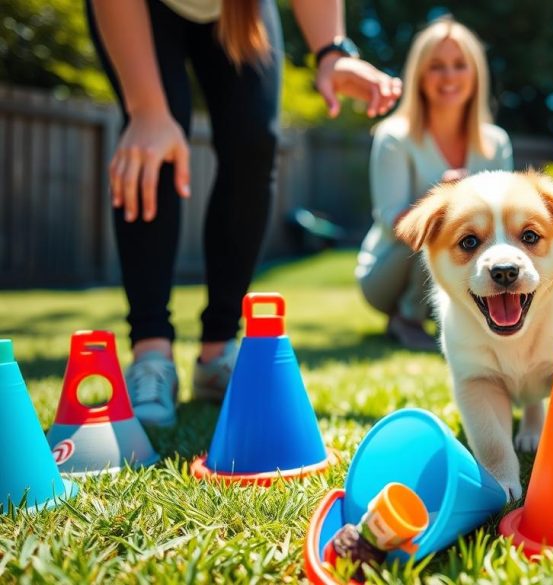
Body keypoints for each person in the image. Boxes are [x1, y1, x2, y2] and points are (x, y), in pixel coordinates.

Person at [88, 0, 401, 426]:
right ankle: (151, 353)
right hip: (140, 10)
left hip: (239, 12)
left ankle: (218, 352)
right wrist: (146, 112)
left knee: (254, 143)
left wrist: (331, 52)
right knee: (155, 149)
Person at [356, 17, 513, 351]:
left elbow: (509, 216)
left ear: (475, 74)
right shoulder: (394, 137)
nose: (449, 77)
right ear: (419, 75)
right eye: (436, 66)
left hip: (463, 271)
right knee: (440, 228)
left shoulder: (495, 142)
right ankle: (407, 317)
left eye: (459, 65)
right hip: (387, 274)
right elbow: (391, 219)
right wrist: (444, 201)